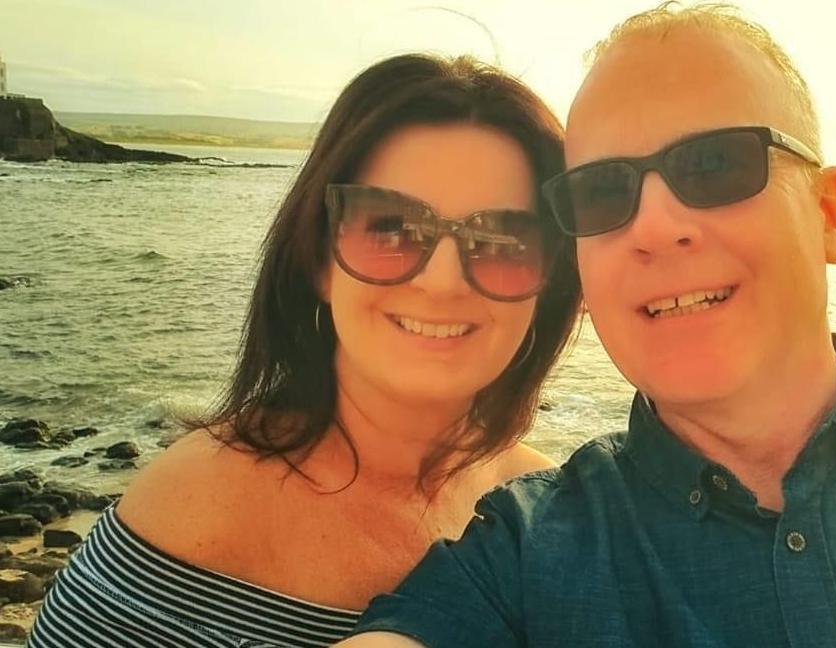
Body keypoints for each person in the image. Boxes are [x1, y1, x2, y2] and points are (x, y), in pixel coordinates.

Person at [338, 4, 836, 648]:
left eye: (716, 165)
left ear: (831, 214)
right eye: (602, 194)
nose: (654, 225)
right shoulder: (519, 557)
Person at [27, 53, 581, 648]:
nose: (443, 281)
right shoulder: (193, 517)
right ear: (319, 259)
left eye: (501, 240)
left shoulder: (548, 513)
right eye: (389, 228)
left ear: (550, 277)